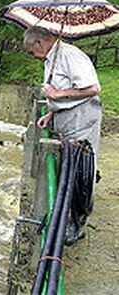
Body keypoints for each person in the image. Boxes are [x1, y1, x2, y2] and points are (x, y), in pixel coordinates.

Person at [23, 26, 103, 245]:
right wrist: (51, 112)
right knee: (67, 168)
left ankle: (78, 225)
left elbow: (93, 88)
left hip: (81, 118)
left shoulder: (70, 55)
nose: (32, 57)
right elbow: (62, 87)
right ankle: (66, 216)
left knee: (80, 171)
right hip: (66, 116)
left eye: (31, 51)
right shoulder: (52, 58)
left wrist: (58, 94)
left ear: (39, 42)